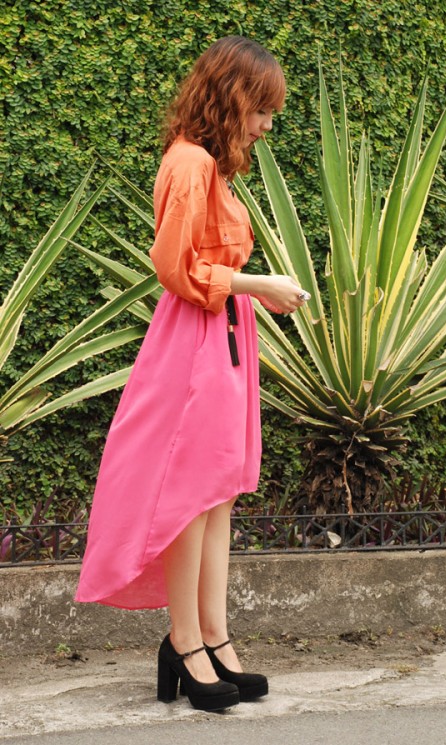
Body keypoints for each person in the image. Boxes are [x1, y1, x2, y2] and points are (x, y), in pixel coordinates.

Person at [75, 36, 307, 712]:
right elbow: (175, 267)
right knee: (190, 495)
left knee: (218, 493)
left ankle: (213, 636)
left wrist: (251, 295)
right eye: (261, 109)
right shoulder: (190, 163)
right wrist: (260, 283)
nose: (267, 125)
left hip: (224, 335)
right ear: (232, 99)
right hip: (197, 338)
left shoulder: (211, 166)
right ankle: (185, 641)